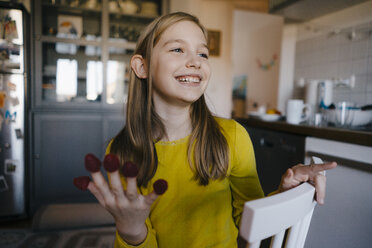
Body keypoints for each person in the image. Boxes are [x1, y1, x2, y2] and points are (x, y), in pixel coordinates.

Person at [74, 12, 337, 248]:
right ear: (142, 67)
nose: (196, 62)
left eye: (202, 53)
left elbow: (249, 223)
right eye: (178, 49)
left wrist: (283, 193)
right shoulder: (121, 152)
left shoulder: (232, 136)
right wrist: (132, 231)